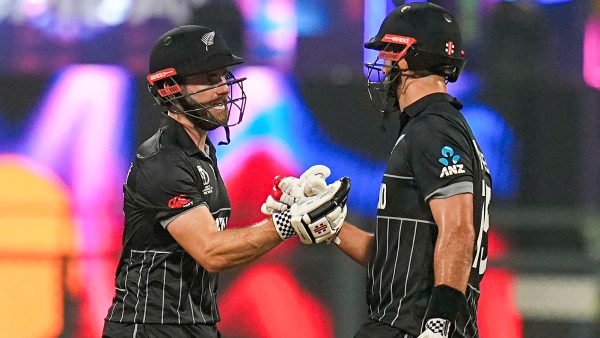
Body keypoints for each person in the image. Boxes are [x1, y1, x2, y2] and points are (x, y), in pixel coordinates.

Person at [102, 25, 348, 338]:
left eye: (222, 76)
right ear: (169, 88)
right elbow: (211, 251)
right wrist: (286, 223)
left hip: (192, 323)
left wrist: (286, 210)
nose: (223, 88)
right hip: (151, 329)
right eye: (207, 79)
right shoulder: (164, 162)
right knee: (269, 296)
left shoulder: (203, 155)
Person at [273, 3, 492, 337]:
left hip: (413, 325)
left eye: (390, 52)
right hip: (403, 322)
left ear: (410, 57)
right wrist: (332, 226)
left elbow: (460, 229)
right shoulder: (433, 127)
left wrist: (439, 323)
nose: (384, 64)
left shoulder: (434, 129)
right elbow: (398, 257)